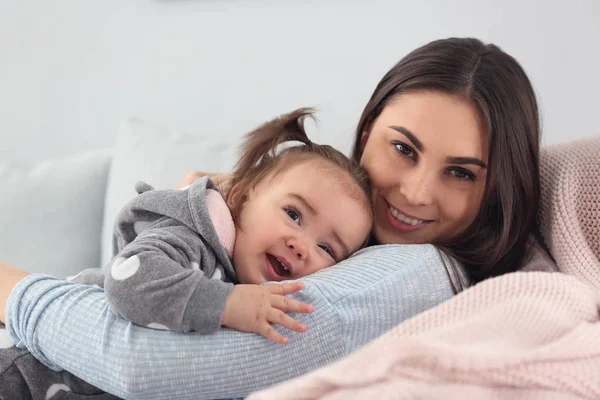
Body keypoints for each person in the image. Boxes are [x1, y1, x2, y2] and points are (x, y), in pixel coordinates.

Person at [0, 37, 547, 400]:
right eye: (403, 149)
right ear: (366, 133)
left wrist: (12, 289)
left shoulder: (409, 274)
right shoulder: (344, 222)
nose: (417, 193)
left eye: (462, 173)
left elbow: (139, 365)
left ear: (498, 190)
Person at [70, 108, 372, 344]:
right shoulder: (191, 236)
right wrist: (227, 305)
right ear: (242, 196)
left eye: (326, 248)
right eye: (293, 214)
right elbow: (127, 282)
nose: (301, 245)